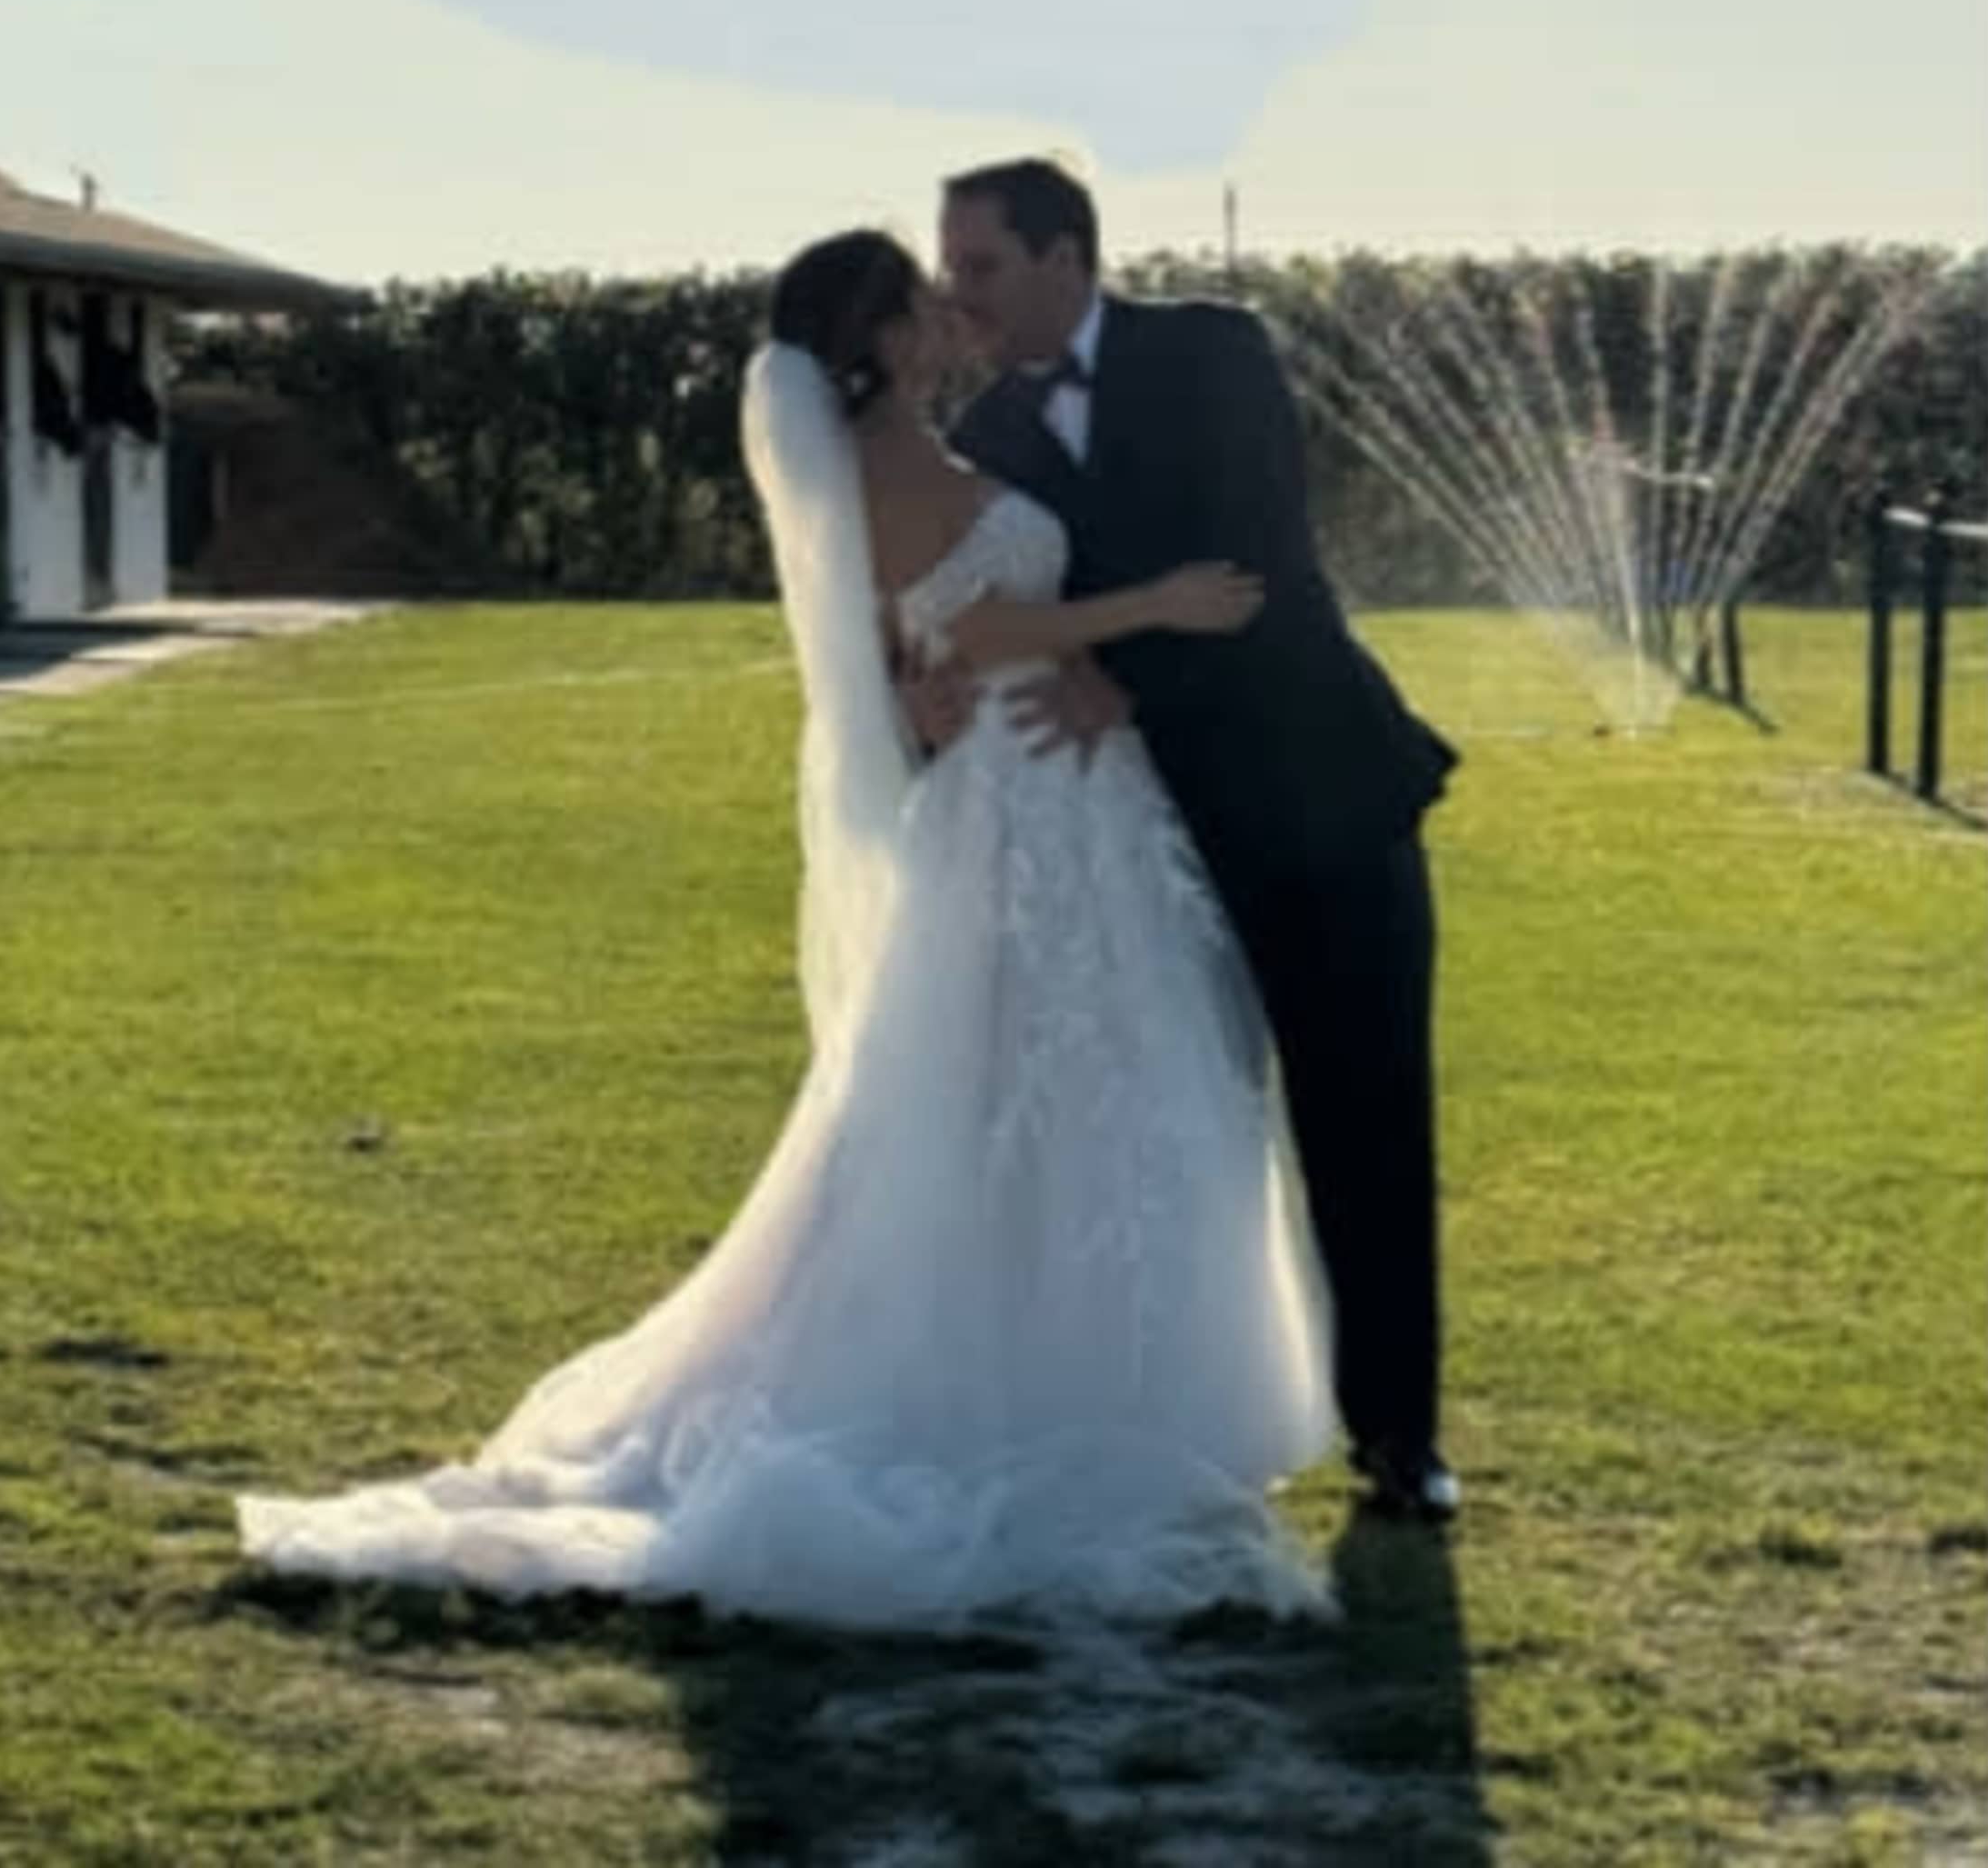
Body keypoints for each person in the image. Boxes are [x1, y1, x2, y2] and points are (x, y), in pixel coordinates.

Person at [235, 228, 1341, 1628]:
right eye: (920, 302)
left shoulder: (905, 463)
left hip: (1047, 799)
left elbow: (903, 649)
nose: (948, 314)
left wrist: (956, 680)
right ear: (873, 339)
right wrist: (1154, 611)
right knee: (1024, 1093)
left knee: (1053, 1094)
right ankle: (1047, 1391)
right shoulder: (893, 473)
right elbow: (994, 629)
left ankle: (1108, 1379)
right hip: (1022, 810)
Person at [922, 156, 1460, 1524]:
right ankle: (1180, 1427)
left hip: (1325, 800)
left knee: (1367, 1116)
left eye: (979, 266)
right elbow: (1012, 612)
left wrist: (1124, 677)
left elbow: (1261, 557)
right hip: (1147, 842)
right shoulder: (982, 432)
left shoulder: (1217, 348)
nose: (957, 296)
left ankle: (1401, 1438)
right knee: (1178, 1133)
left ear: (1064, 255)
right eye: (949, 269)